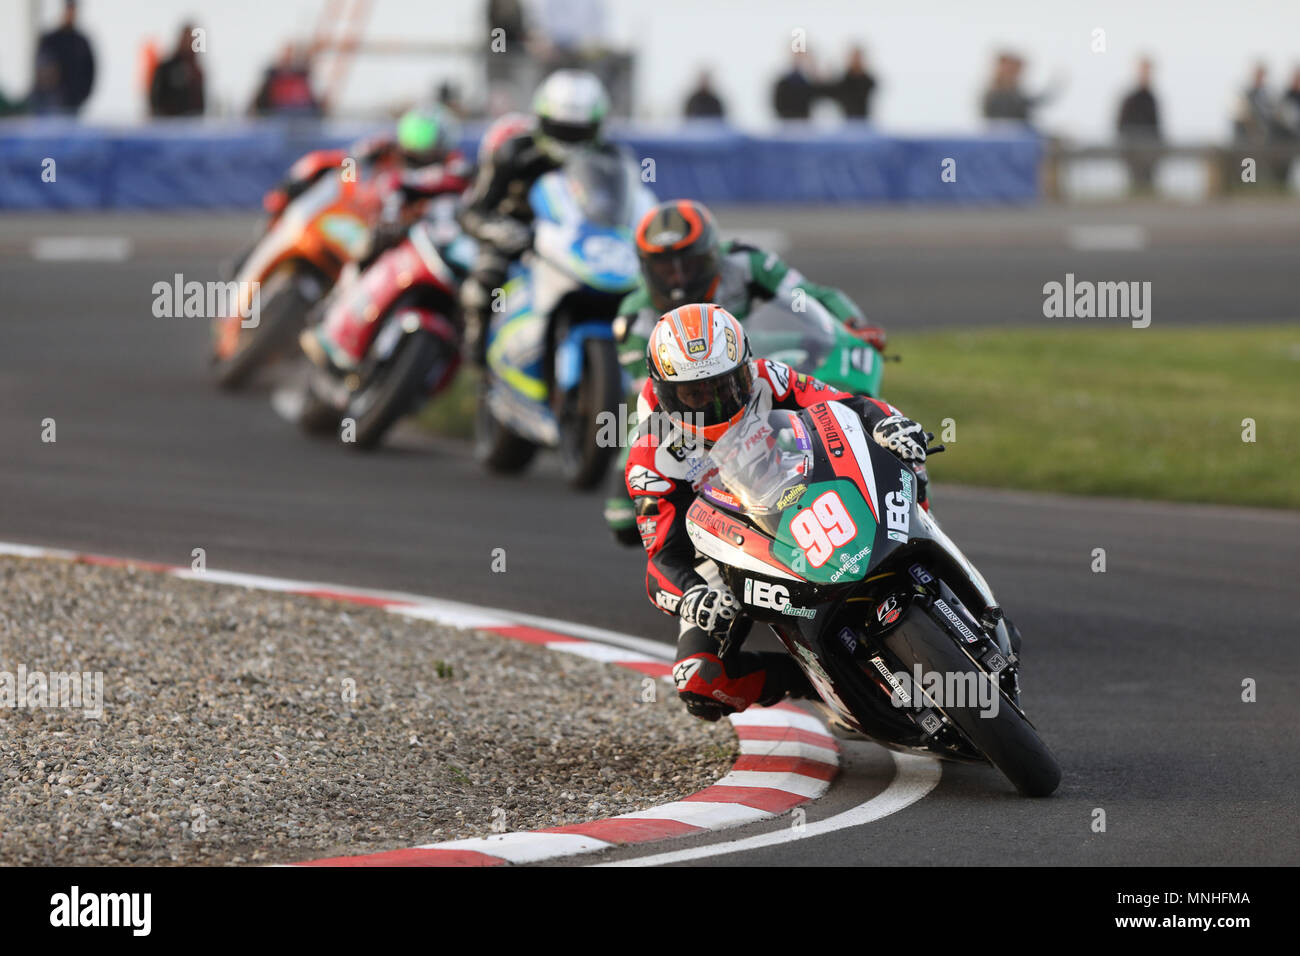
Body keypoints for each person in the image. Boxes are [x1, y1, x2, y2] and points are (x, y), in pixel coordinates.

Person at [625, 304, 933, 722]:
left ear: (745, 368)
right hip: (728, 548)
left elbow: (845, 404)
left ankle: (931, 564)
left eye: (723, 385)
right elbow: (663, 560)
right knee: (700, 681)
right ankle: (821, 685)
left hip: (803, 486)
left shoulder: (770, 377)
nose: (714, 403)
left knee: (904, 462)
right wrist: (692, 598)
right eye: (694, 394)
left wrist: (887, 425)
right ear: (664, 393)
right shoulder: (650, 458)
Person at [604, 199, 886, 544]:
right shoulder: (632, 319)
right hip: (682, 400)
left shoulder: (748, 262)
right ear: (646, 269)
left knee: (830, 399)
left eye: (689, 265)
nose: (678, 276)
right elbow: (655, 395)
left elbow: (808, 295)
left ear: (712, 256)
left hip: (746, 363)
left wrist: (852, 324)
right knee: (622, 514)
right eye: (665, 268)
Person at [456, 69, 614, 365]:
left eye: (579, 131)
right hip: (519, 241)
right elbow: (473, 210)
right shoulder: (513, 151)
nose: (570, 141)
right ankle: (476, 356)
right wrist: (500, 230)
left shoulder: (610, 157)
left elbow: (627, 207)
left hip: (582, 245)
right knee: (484, 280)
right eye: (562, 130)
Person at [30, 0, 95, 116]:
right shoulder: (50, 40)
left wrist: (81, 96)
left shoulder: (81, 42)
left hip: (73, 105)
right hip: (47, 105)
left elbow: (90, 70)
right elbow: (41, 70)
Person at [1116, 57, 1161, 192]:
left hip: (1150, 149)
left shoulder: (1152, 98)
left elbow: (1156, 125)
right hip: (1133, 148)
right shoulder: (1130, 99)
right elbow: (1121, 124)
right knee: (1136, 181)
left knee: (1147, 182)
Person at [149, 23, 205, 117]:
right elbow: (155, 100)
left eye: (192, 41)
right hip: (168, 124)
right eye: (187, 39)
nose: (189, 43)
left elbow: (200, 105)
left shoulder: (197, 71)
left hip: (192, 124)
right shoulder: (166, 68)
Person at [251, 44, 321, 117]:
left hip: (299, 117)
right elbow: (260, 102)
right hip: (275, 117)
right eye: (286, 54)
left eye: (290, 54)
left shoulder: (301, 77)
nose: (288, 57)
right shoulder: (272, 77)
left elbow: (312, 104)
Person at [832, 45, 877, 120]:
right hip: (846, 121)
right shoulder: (842, 82)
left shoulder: (868, 81)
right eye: (854, 57)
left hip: (864, 121)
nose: (856, 60)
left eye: (858, 58)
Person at [772, 51, 818, 120]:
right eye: (797, 57)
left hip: (805, 122)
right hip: (787, 122)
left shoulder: (809, 81)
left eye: (801, 57)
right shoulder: (783, 83)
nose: (799, 60)